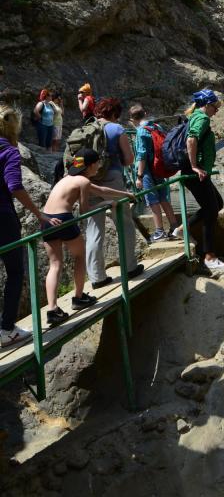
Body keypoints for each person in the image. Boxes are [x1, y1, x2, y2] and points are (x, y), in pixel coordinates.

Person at [41, 149, 136, 327]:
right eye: (98, 162)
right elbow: (85, 211)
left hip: (47, 220)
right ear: (91, 165)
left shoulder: (67, 179)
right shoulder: (83, 181)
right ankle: (78, 297)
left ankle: (52, 310)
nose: (100, 166)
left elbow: (101, 189)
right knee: (80, 256)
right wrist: (106, 203)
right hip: (63, 219)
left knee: (55, 265)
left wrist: (125, 194)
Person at [0, 104, 61, 347]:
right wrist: (40, 214)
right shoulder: (9, 151)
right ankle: (6, 330)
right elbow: (15, 185)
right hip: (3, 218)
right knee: (15, 272)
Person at [85, 97, 143, 289]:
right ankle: (130, 267)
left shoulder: (86, 128)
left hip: (90, 181)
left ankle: (97, 278)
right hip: (113, 180)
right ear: (115, 113)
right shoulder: (117, 129)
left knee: (94, 228)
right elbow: (128, 160)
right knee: (124, 223)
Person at [176, 89, 224, 278]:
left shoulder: (196, 116)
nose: (216, 110)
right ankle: (209, 257)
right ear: (207, 105)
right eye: (215, 106)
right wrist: (194, 166)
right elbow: (192, 139)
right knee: (211, 210)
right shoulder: (202, 118)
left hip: (197, 171)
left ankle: (182, 229)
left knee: (217, 204)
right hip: (195, 172)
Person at [128, 104, 179, 242]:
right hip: (159, 168)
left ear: (132, 119)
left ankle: (159, 232)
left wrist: (139, 176)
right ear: (145, 113)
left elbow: (142, 155)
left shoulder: (141, 131)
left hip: (147, 172)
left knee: (152, 201)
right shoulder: (157, 127)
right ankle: (175, 227)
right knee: (163, 198)